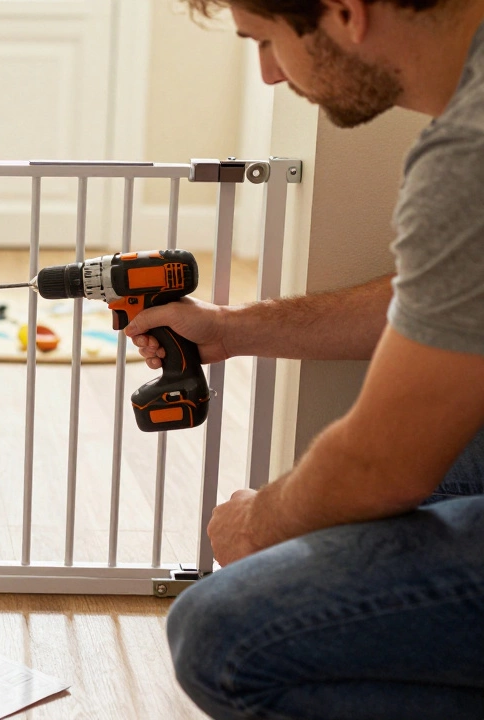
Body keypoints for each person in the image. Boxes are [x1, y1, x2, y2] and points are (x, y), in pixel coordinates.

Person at [127, 1, 484, 717]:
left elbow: (383, 466)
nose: (266, 74)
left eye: (265, 42)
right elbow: (443, 297)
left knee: (222, 635)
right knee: (351, 512)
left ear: (346, 12)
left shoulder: (468, 153)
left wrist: (257, 524)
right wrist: (230, 329)